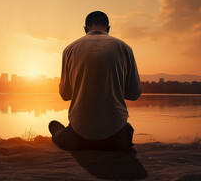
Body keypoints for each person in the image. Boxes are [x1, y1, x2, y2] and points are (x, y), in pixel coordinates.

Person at [49, 11, 142, 151]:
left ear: (85, 29)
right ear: (108, 28)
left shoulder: (69, 49)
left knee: (53, 125)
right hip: (116, 139)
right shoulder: (125, 48)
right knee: (127, 127)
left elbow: (65, 95)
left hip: (79, 138)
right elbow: (134, 94)